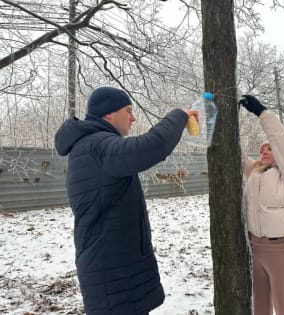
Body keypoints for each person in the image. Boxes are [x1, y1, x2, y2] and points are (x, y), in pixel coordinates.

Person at [54, 86, 198, 315]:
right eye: (128, 110)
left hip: (114, 266)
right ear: (108, 113)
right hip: (112, 272)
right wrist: (180, 115)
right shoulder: (98, 145)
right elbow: (151, 146)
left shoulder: (92, 145)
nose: (133, 118)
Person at [239, 95, 284, 315]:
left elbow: (281, 140)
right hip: (256, 250)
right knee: (260, 309)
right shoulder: (255, 173)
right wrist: (213, 123)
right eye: (261, 149)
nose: (264, 151)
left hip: (282, 251)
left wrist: (262, 113)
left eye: (269, 148)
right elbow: (236, 155)